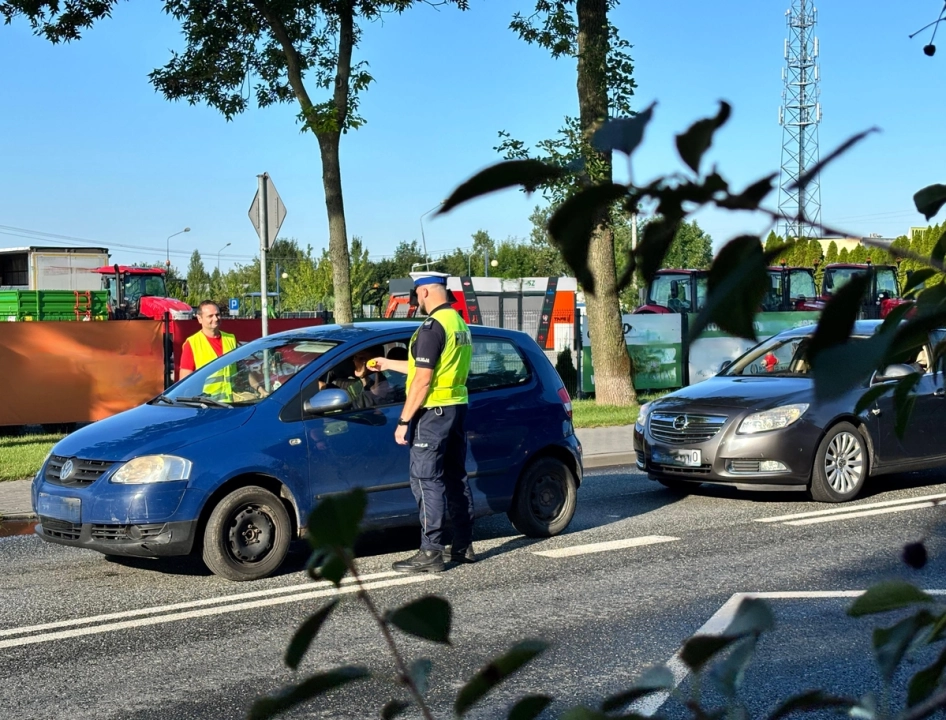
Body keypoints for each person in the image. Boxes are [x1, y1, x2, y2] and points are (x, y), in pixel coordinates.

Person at [369, 271, 475, 573]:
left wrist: (404, 420)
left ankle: (431, 552)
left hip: (432, 413)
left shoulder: (431, 327)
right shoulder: (457, 323)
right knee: (455, 477)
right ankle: (463, 545)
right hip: (455, 407)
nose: (417, 299)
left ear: (425, 292)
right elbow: (425, 367)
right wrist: (388, 363)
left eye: (417, 293)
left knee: (426, 479)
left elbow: (423, 380)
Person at [178, 301, 237, 394]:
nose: (215, 319)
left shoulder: (231, 339)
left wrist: (259, 388)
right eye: (210, 316)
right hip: (205, 401)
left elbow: (242, 370)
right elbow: (184, 383)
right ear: (199, 319)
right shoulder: (192, 343)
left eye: (217, 315)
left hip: (231, 401)